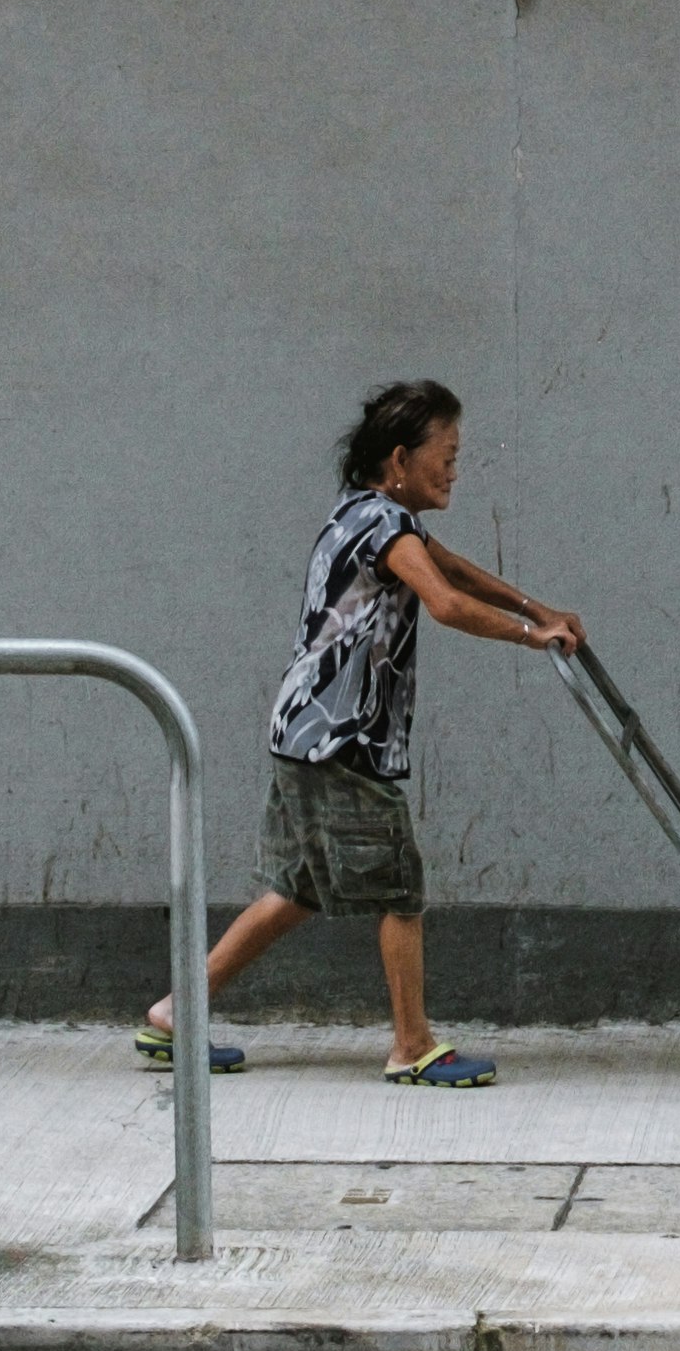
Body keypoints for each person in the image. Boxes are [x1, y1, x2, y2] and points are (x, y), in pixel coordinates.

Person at [144, 376, 581, 1089]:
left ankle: (173, 1011)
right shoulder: (385, 528)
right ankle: (411, 1044)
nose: (455, 467)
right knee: (399, 889)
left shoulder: (365, 514)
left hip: (302, 732)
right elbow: (443, 602)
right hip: (344, 741)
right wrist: (535, 635)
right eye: (447, 453)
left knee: (297, 889)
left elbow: (448, 568)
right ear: (401, 458)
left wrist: (539, 605)